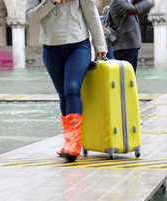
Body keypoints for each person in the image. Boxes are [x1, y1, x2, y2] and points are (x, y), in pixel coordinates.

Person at [26, 0, 108, 162]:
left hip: (78, 45)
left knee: (72, 89)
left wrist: (100, 46)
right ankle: (69, 142)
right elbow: (30, 18)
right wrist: (50, 2)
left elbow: (91, 15)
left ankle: (73, 143)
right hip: (50, 48)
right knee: (63, 94)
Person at [109, 0, 155, 73]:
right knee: (125, 77)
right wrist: (149, 2)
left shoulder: (126, 2)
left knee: (130, 77)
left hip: (130, 45)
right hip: (124, 46)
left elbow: (138, 12)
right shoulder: (117, 1)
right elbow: (134, 10)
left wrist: (151, 4)